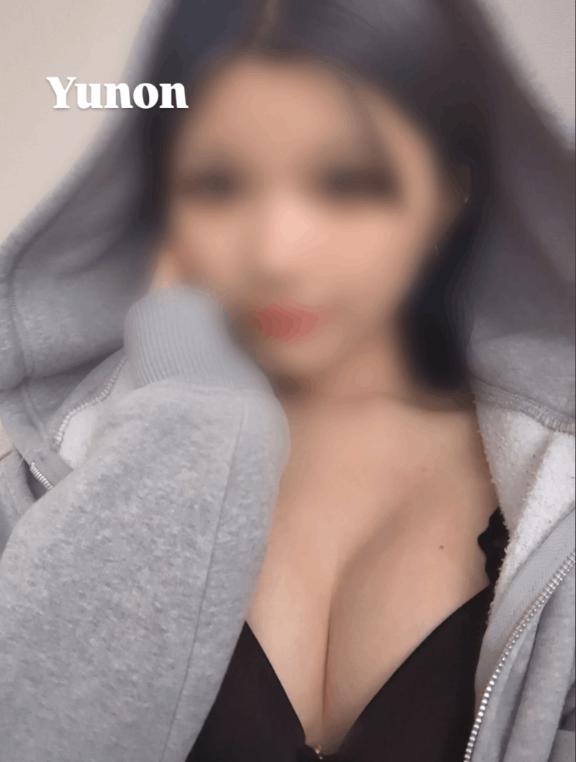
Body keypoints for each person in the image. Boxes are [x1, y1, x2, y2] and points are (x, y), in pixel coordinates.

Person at [0, 2, 573, 761]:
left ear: (450, 190)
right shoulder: (46, 482)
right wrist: (193, 420)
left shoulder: (560, 506)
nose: (276, 253)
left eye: (346, 183)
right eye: (218, 184)